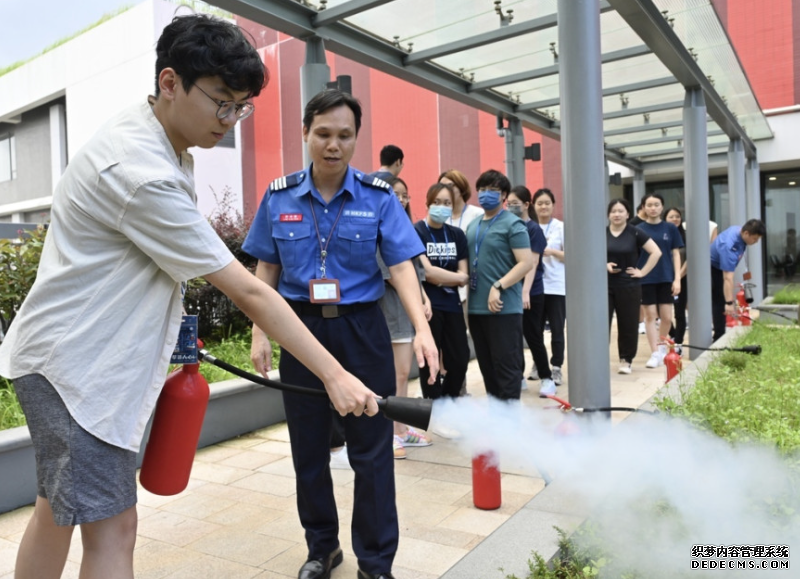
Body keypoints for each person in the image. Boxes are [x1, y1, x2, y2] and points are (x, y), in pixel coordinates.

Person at [0, 15, 380, 579]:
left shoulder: (159, 143)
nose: (229, 120)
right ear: (171, 82)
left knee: (58, 510)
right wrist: (334, 375)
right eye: (221, 102)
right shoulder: (141, 170)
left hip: (69, 360)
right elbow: (249, 289)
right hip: (75, 372)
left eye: (241, 107)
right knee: (114, 528)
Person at [244, 89, 438, 579]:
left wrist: (421, 329)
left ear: (356, 138)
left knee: (371, 450)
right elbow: (265, 269)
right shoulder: (279, 194)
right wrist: (260, 333)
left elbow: (401, 266)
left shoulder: (377, 197)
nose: (334, 145)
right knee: (308, 448)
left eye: (345, 136)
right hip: (300, 329)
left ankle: (374, 562)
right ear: (305, 133)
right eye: (324, 134)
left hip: (362, 329)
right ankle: (322, 549)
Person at [465, 170, 533, 400]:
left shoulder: (512, 224)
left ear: (503, 195)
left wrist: (498, 286)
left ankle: (510, 427)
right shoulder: (473, 225)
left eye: (492, 191)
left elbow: (526, 262)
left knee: (507, 369)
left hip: (504, 309)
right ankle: (497, 423)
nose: (485, 195)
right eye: (482, 190)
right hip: (476, 309)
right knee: (488, 370)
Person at [380, 176, 433, 459]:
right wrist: (415, 297)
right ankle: (389, 432)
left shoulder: (407, 229)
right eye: (395, 195)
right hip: (389, 313)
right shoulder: (379, 227)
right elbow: (394, 275)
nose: (401, 200)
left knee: (403, 373)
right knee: (394, 374)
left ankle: (400, 429)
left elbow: (415, 272)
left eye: (404, 195)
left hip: (405, 313)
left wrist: (423, 298)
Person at [414, 182, 471, 399]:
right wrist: (453, 278)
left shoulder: (457, 234)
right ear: (428, 203)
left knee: (459, 357)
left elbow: (465, 275)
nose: (442, 207)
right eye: (437, 202)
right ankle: (433, 402)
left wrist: (445, 278)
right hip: (428, 305)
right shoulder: (417, 231)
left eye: (447, 203)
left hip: (452, 304)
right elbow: (427, 272)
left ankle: (448, 399)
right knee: (430, 358)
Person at [606, 199, 662, 374]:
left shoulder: (635, 232)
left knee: (628, 324)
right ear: (608, 214)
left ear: (628, 214)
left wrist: (642, 272)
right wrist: (604, 264)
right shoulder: (601, 233)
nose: (617, 214)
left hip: (629, 285)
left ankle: (626, 360)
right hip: (605, 286)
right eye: (613, 211)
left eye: (620, 211)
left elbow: (656, 252)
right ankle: (599, 359)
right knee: (601, 324)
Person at [507, 186, 550, 396]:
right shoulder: (509, 226)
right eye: (509, 203)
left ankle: (547, 376)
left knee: (533, 336)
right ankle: (518, 376)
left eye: (516, 203)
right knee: (513, 337)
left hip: (531, 292)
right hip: (511, 291)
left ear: (526, 205)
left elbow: (532, 263)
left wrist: (525, 292)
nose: (512, 207)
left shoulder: (533, 229)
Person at [635, 194, 684, 368]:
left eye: (656, 204)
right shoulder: (638, 229)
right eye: (649, 205)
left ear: (662, 207)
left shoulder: (670, 228)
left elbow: (676, 254)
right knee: (650, 316)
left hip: (665, 277)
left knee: (666, 317)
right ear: (643, 208)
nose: (653, 208)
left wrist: (677, 278)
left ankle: (662, 347)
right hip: (646, 278)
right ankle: (655, 352)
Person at [710, 219, 766, 341]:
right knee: (720, 302)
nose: (755, 242)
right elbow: (727, 278)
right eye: (755, 239)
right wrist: (729, 303)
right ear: (746, 233)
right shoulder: (730, 246)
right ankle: (719, 337)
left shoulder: (738, 230)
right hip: (712, 269)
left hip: (719, 267)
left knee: (721, 300)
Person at [532, 187, 566, 386]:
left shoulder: (561, 227)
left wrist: (551, 251)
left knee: (557, 328)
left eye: (547, 203)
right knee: (534, 329)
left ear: (553, 205)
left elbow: (571, 255)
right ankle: (539, 363)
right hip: (536, 286)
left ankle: (556, 367)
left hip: (555, 285)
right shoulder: (529, 226)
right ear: (533, 206)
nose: (543, 206)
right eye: (540, 203)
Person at [665, 207, 688, 349]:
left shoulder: (686, 235)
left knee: (679, 313)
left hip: (682, 279)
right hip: (664, 278)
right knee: (661, 314)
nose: (675, 219)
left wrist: (678, 277)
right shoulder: (661, 235)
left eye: (677, 216)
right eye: (671, 216)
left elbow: (689, 259)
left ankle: (678, 343)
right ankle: (673, 335)